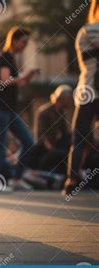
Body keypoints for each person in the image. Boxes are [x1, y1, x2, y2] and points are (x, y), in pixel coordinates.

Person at [0, 27, 40, 190]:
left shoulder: (11, 58)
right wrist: (23, 77)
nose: (25, 45)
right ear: (14, 40)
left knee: (28, 141)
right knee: (1, 145)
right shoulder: (5, 57)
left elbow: (14, 82)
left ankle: (17, 178)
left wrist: (27, 77)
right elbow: (4, 81)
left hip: (10, 110)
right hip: (1, 109)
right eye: (23, 41)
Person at [63, 0, 99, 196]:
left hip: (87, 90)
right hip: (91, 89)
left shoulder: (86, 30)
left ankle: (72, 179)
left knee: (79, 137)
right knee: (80, 137)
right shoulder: (90, 30)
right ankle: (72, 178)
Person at [30, 85, 73, 174]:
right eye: (69, 98)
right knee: (57, 155)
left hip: (54, 144)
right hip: (43, 148)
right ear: (62, 98)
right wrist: (51, 149)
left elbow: (65, 133)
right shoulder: (44, 111)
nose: (70, 101)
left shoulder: (61, 113)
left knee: (67, 151)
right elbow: (41, 134)